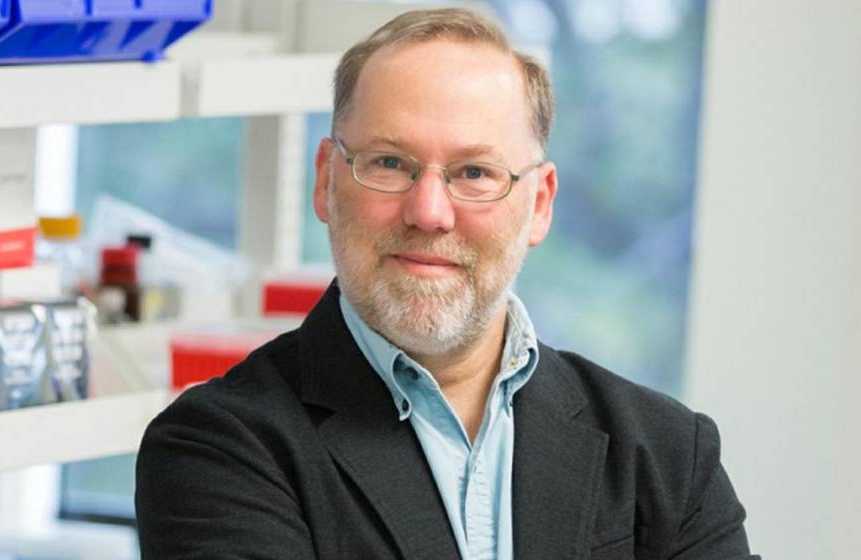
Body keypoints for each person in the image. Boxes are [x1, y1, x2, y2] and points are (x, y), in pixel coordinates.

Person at [135, 8, 759, 560]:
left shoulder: (669, 453)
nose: (429, 211)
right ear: (326, 179)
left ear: (539, 204)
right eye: (388, 163)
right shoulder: (217, 450)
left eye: (475, 172)